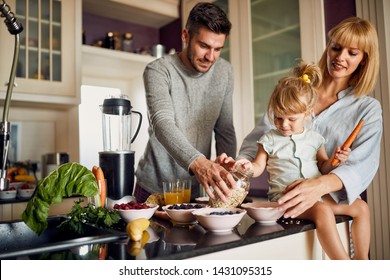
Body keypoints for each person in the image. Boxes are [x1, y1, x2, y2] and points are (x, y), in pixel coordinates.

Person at [220, 16, 382, 259]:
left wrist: (322, 180)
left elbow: (362, 164)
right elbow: (257, 144)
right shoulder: (293, 93)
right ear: (328, 46)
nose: (340, 57)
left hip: (336, 221)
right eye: (336, 48)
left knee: (361, 211)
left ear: (364, 59)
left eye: (352, 53)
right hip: (295, 213)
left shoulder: (367, 108)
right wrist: (242, 167)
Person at [134, 2, 237, 203]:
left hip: (198, 190)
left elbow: (225, 130)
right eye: (204, 46)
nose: (210, 57)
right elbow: (162, 122)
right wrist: (199, 164)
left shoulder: (225, 72)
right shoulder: (158, 71)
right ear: (185, 36)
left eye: (218, 49)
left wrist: (227, 176)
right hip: (154, 188)